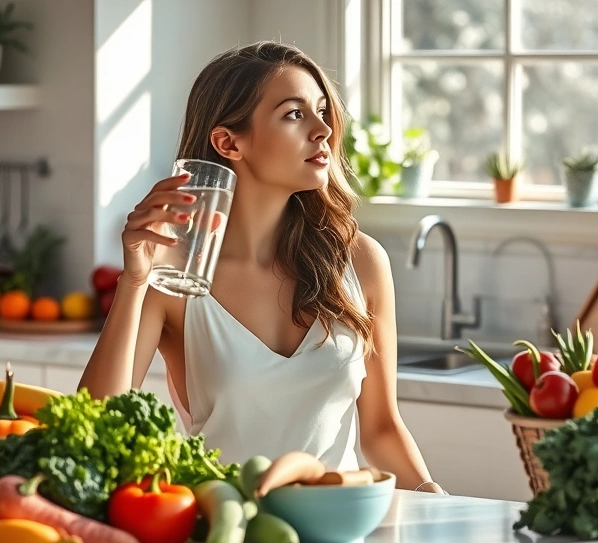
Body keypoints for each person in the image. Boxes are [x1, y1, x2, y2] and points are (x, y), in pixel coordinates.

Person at [79, 41, 444, 494]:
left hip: (340, 530)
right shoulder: (173, 276)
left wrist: (434, 498)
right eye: (295, 114)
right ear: (228, 142)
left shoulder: (362, 262)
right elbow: (93, 424)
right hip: (225, 534)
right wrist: (133, 281)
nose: (323, 131)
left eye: (322, 111)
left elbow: (382, 429)